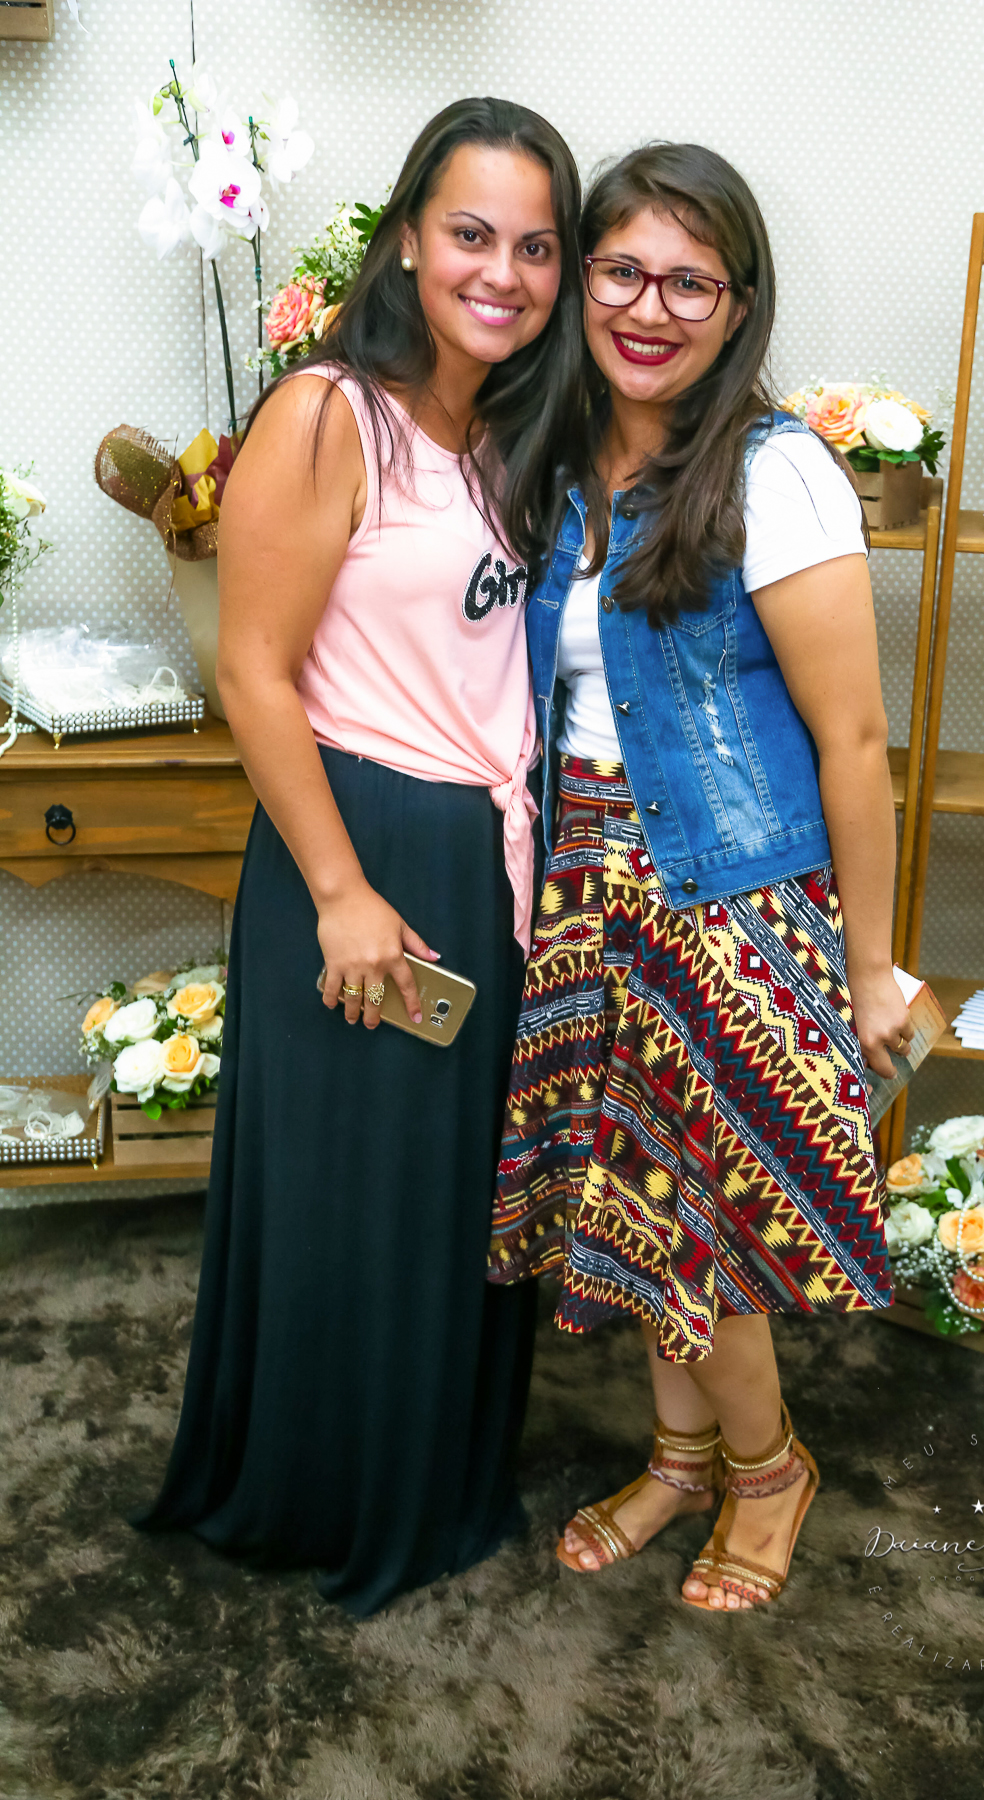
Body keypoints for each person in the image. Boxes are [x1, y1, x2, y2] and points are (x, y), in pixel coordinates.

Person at [135, 98, 584, 1615]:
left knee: (450, 1199)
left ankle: (431, 1479)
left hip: (481, 858)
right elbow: (253, 672)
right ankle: (329, 1494)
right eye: (471, 234)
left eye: (537, 247)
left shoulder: (503, 429)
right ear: (405, 240)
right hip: (359, 853)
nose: (503, 273)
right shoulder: (329, 413)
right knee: (355, 1194)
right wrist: (340, 893)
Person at [489, 142, 909, 1612]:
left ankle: (770, 1469)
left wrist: (871, 966)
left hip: (728, 894)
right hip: (581, 883)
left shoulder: (778, 474)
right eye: (622, 271)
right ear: (581, 281)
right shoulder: (554, 460)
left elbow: (854, 740)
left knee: (703, 1222)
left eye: (690, 282)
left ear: (738, 306)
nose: (648, 308)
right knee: (628, 1197)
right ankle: (680, 1462)